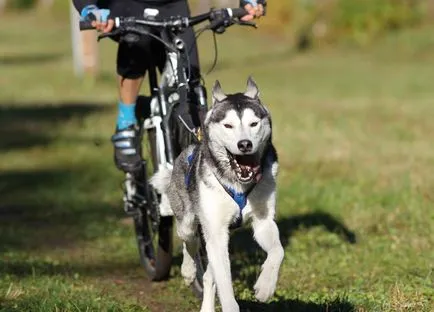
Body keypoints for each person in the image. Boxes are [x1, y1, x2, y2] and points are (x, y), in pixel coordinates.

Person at [72, 0, 265, 173]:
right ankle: (126, 123)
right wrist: (90, 8)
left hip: (174, 5)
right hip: (129, 5)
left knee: (190, 77)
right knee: (134, 50)